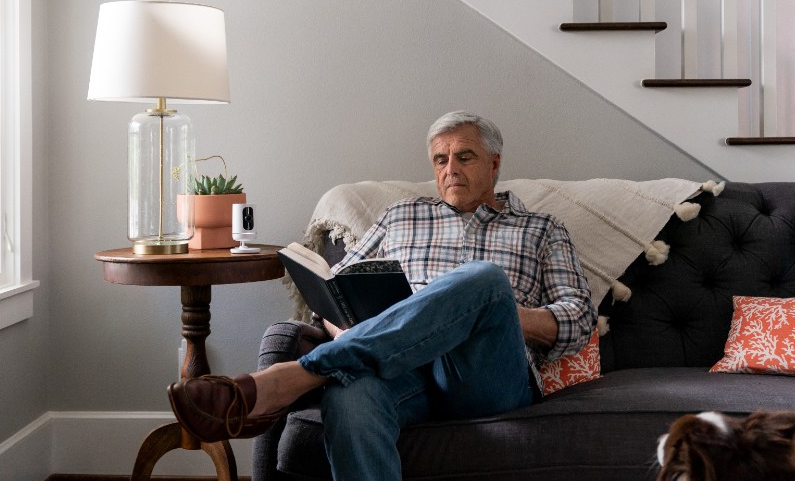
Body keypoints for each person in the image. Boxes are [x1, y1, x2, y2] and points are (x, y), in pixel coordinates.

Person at [168, 111, 595, 480]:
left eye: (465, 157)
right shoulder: (399, 216)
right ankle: (326, 369)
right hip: (400, 369)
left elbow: (577, 317)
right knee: (348, 396)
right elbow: (334, 292)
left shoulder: (541, 228)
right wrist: (356, 333)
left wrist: (484, 308)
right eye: (440, 160)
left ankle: (294, 377)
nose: (451, 169)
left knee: (481, 279)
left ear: (494, 163)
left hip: (485, 376)